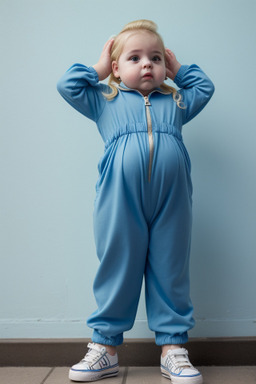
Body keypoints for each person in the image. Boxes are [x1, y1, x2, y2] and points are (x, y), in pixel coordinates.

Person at [57, 19, 214, 383]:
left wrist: (178, 70)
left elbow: (204, 87)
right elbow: (67, 84)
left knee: (170, 268)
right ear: (116, 68)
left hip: (171, 201)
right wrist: (98, 68)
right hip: (118, 198)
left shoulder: (175, 100)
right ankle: (105, 349)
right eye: (135, 57)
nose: (147, 64)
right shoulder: (104, 99)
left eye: (156, 58)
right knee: (117, 266)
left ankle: (173, 349)